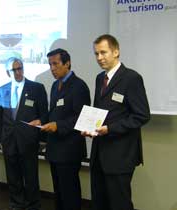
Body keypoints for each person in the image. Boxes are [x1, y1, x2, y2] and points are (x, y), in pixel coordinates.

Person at [82, 34, 150, 210]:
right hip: (99, 154)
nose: (99, 58)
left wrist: (109, 129)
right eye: (96, 53)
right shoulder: (100, 78)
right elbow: (99, 112)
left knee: (119, 204)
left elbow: (142, 115)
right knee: (99, 202)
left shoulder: (131, 78)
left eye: (103, 52)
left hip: (120, 155)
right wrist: (89, 127)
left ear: (116, 51)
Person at [41, 48, 91, 210]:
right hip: (55, 149)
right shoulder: (55, 85)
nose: (52, 68)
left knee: (70, 194)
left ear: (67, 63)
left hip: (69, 150)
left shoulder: (79, 86)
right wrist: (41, 121)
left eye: (55, 64)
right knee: (59, 193)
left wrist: (58, 126)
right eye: (50, 65)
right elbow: (54, 113)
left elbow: (82, 118)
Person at [0, 57, 48, 210]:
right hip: (9, 140)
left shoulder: (36, 88)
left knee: (30, 175)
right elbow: (0, 117)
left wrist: (43, 139)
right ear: (8, 72)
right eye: (14, 70)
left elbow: (44, 115)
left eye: (20, 68)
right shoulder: (2, 90)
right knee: (12, 175)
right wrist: (1, 139)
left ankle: (33, 204)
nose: (18, 72)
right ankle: (16, 203)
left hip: (29, 140)